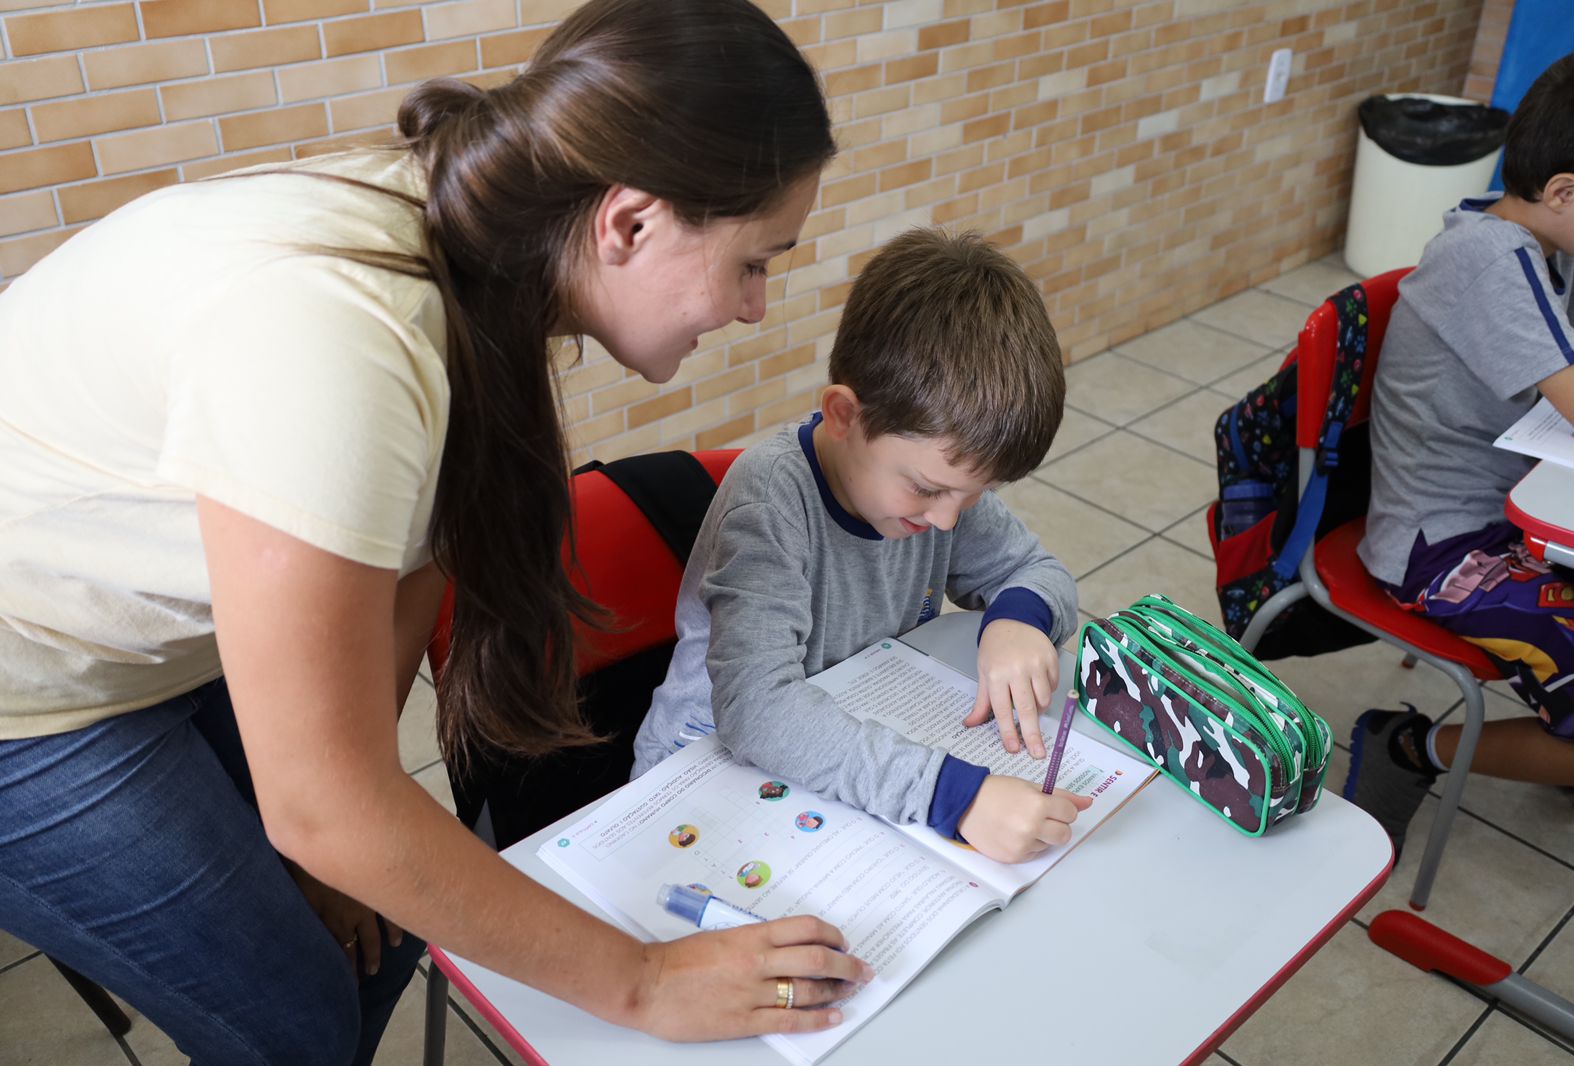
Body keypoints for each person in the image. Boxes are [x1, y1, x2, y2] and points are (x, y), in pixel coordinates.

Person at [0, 1, 874, 1062]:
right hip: (27, 687)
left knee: (379, 920)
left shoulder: (488, 249)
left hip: (149, 609)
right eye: (755, 261)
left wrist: (335, 835)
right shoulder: (340, 342)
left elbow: (413, 554)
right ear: (630, 222)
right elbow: (319, 802)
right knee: (299, 1017)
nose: (754, 307)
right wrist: (639, 982)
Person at [631, 228, 1094, 864]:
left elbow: (1035, 569)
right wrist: (953, 798)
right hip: (699, 786)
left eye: (972, 494)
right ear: (846, 415)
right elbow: (757, 711)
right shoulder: (769, 506)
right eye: (928, 489)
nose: (947, 521)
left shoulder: (940, 496)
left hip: (840, 756)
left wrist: (1020, 619)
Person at [1345, 44, 1574, 855]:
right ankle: (1408, 747)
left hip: (1519, 514)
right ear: (1563, 191)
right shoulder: (1489, 260)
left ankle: (1565, 739)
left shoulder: (1561, 243)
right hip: (1444, 543)